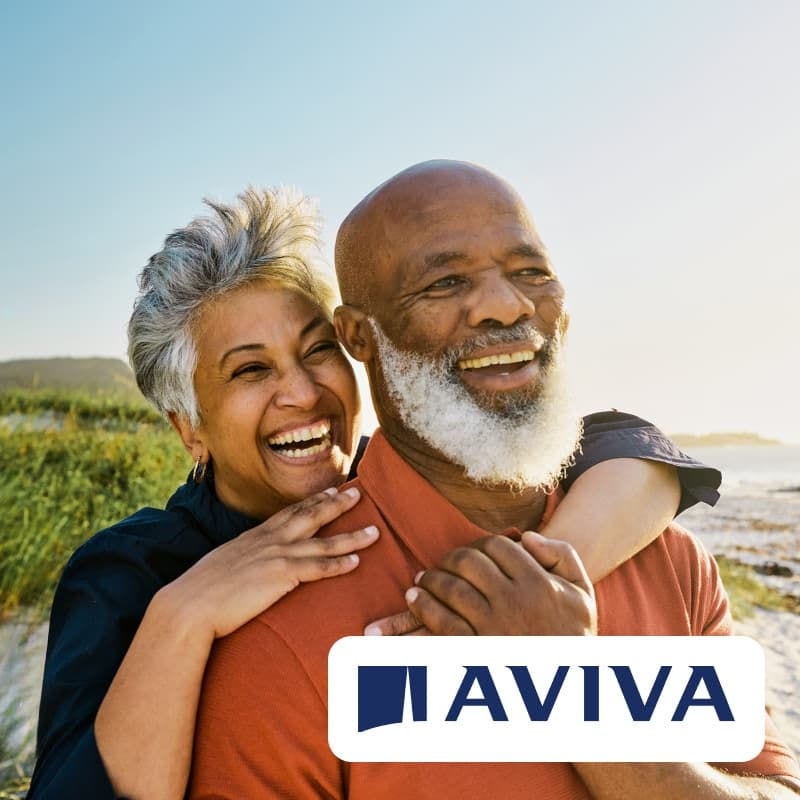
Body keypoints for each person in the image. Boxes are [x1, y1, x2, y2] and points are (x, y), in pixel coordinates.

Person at [30, 187, 719, 800]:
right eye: (249, 371)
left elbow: (623, 443)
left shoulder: (408, 478)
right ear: (190, 430)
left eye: (317, 350)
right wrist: (183, 614)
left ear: (358, 345)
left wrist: (533, 583)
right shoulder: (131, 573)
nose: (302, 393)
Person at [189, 163, 800, 800]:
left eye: (531, 272)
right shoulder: (280, 637)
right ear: (358, 337)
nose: (508, 306)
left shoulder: (673, 564)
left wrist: (566, 688)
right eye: (446, 281)